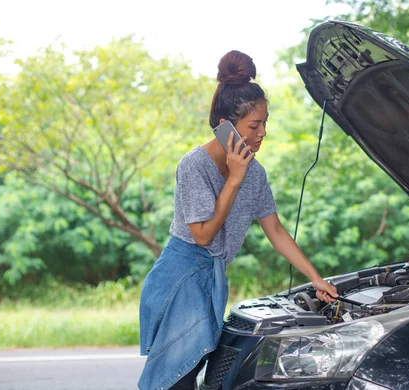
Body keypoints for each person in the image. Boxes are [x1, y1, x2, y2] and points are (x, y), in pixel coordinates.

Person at [137, 50, 339, 390]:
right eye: (254, 125)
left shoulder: (254, 173)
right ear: (225, 127)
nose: (262, 133)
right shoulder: (194, 165)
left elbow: (274, 229)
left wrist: (316, 278)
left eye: (265, 123)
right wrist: (233, 179)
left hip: (212, 280)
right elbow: (202, 235)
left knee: (195, 379)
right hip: (181, 279)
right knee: (175, 382)